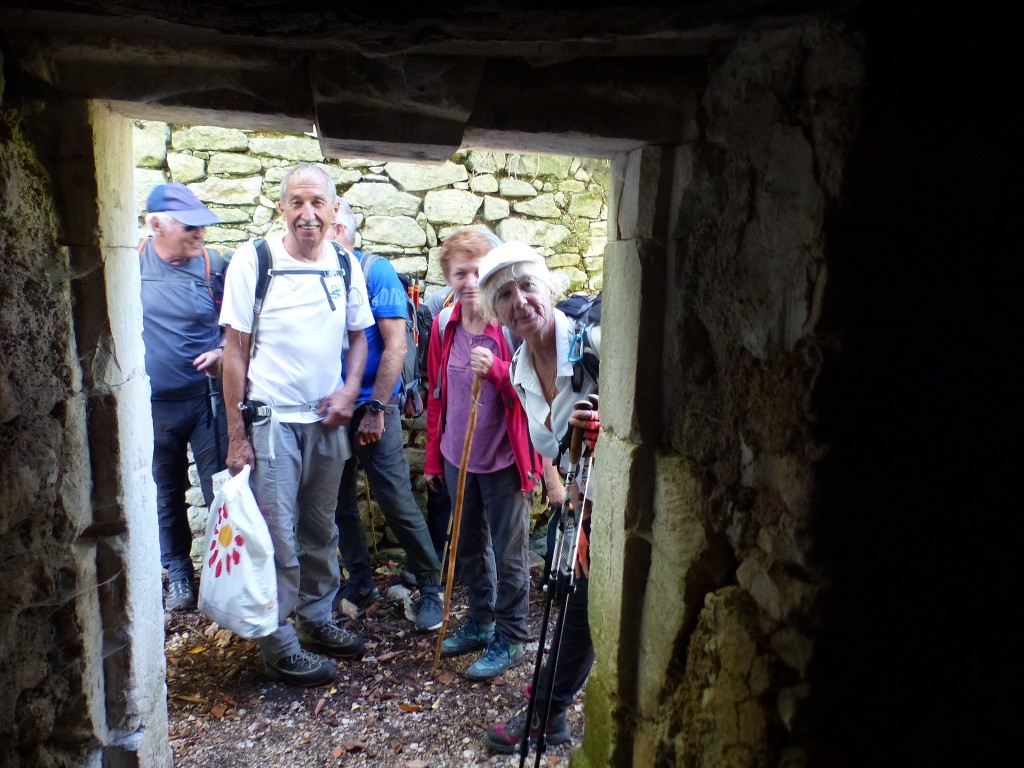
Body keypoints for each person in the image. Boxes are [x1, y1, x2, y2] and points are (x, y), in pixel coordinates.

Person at [220, 164, 374, 687]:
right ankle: (279, 642)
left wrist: (350, 392)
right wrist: (237, 435)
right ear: (283, 208)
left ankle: (316, 619)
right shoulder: (255, 259)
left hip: (326, 421)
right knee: (277, 537)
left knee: (320, 528)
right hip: (272, 421)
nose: (307, 214)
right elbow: (234, 350)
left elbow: (359, 338)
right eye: (297, 203)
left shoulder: (346, 265)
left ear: (334, 212)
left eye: (318, 204)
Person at [474, 241, 600, 752]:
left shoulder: (593, 339)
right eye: (504, 294)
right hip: (587, 499)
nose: (520, 300)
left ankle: (547, 713)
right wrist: (574, 499)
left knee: (583, 603)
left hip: (625, 503)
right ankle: (550, 710)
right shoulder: (522, 369)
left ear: (548, 287)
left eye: (527, 285)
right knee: (571, 596)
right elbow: (553, 446)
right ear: (494, 312)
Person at [424, 228, 543, 681]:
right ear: (448, 279)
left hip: (505, 460)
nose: (471, 281)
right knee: (469, 546)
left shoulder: (510, 329)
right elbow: (437, 395)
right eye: (460, 273)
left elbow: (534, 393)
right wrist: (434, 458)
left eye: (479, 271)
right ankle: (481, 620)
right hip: (458, 455)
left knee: (509, 552)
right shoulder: (443, 324)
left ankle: (511, 636)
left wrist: (497, 372)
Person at [329, 201, 445, 631]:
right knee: (338, 503)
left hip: (372, 404)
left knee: (395, 498)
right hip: (330, 406)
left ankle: (431, 588)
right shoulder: (317, 271)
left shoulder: (374, 271)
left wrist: (377, 409)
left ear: (341, 227)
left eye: (328, 223)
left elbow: (395, 346)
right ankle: (360, 581)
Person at [140, 183, 228, 612]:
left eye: (203, 227)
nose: (200, 235)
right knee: (165, 491)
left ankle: (223, 580)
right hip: (153, 407)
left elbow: (245, 325)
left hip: (206, 401)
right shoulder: (129, 262)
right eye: (190, 226)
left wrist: (225, 352)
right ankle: (178, 576)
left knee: (220, 491)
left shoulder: (215, 265)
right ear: (156, 224)